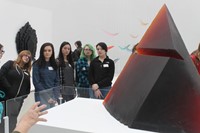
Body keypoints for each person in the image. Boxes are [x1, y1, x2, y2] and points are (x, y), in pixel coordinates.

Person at [0, 50, 32, 131]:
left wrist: (21, 98)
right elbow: (1, 74)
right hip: (4, 99)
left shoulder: (27, 72)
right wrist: (9, 88)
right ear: (21, 55)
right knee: (2, 121)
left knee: (12, 122)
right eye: (26, 55)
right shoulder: (11, 64)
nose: (27, 57)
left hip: (16, 102)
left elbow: (28, 89)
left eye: (29, 57)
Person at [32, 42, 60, 110]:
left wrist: (55, 96)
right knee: (44, 116)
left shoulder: (54, 64)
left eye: (49, 50)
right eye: (45, 50)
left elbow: (57, 81)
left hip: (53, 95)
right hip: (41, 95)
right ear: (42, 52)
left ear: (52, 52)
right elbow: (36, 82)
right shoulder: (37, 64)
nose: (47, 52)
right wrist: (47, 97)